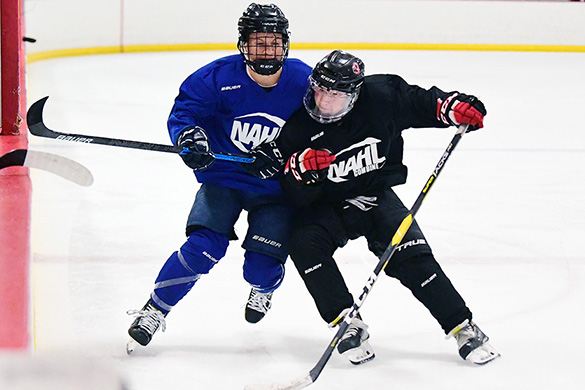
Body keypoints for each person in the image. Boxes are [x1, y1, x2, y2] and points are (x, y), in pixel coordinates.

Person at [275, 50, 500, 365]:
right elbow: (291, 195)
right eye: (320, 90)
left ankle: (462, 326)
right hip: (326, 205)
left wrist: (452, 107)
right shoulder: (298, 127)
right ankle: (346, 324)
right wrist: (298, 172)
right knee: (303, 243)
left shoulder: (382, 97)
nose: (324, 101)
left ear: (354, 95)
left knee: (412, 255)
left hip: (374, 194)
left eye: (335, 95)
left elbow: (423, 104)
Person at [126, 3, 312, 352]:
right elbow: (186, 112)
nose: (266, 51)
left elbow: (325, 126)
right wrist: (189, 138)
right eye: (259, 43)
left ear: (285, 44)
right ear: (244, 44)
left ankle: (265, 288)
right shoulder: (217, 77)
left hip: (275, 188)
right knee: (202, 248)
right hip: (223, 179)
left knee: (259, 268)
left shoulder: (304, 81)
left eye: (273, 43)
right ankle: (155, 309)